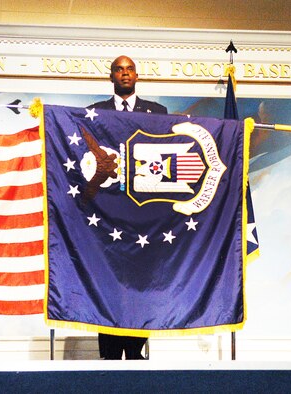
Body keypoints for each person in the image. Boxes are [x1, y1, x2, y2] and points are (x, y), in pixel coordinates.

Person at [88, 55, 167, 360]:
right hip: (105, 215)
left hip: (143, 216)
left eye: (129, 69)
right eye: (119, 69)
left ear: (137, 75)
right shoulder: (94, 113)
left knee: (139, 285)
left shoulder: (157, 113)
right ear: (111, 76)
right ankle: (108, 354)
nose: (125, 73)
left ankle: (135, 354)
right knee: (107, 283)